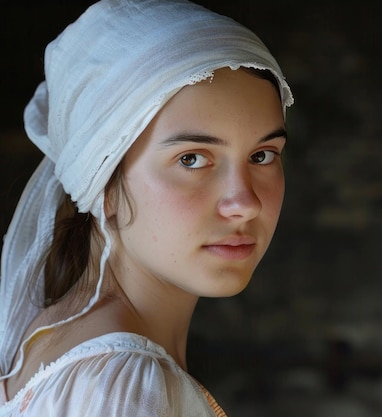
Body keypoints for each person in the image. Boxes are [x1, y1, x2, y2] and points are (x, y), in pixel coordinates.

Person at [0, 0, 294, 415]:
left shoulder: (49, 339)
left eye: (263, 155)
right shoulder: (124, 388)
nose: (244, 203)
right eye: (191, 159)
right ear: (102, 183)